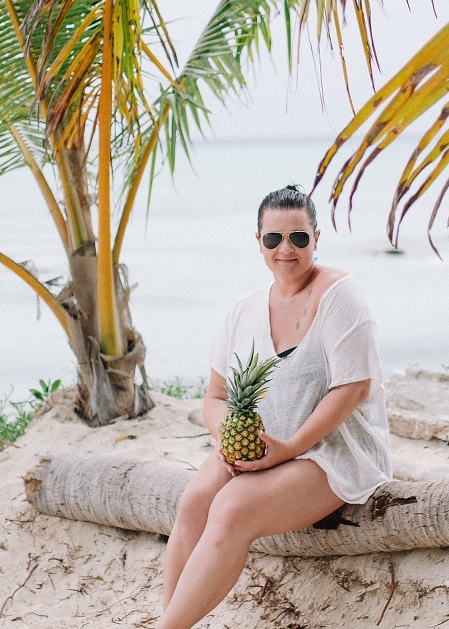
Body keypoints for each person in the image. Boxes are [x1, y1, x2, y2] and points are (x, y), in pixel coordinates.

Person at [156, 184, 393, 629]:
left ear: (317, 239)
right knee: (194, 502)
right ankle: (171, 619)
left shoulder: (341, 295)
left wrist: (289, 447)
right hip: (260, 449)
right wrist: (229, 439)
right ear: (259, 242)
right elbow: (215, 397)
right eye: (274, 239)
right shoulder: (243, 310)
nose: (286, 249)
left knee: (231, 507)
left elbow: (354, 388)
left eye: (299, 237)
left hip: (330, 453)